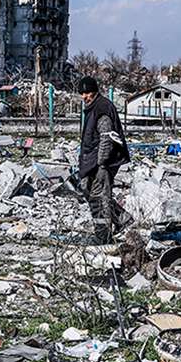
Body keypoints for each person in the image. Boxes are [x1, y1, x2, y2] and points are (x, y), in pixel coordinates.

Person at [78, 76, 131, 244]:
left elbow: (106, 139)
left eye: (87, 93)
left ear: (95, 91)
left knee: (99, 198)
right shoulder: (95, 107)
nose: (85, 96)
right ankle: (122, 219)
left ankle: (103, 237)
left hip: (101, 162)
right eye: (82, 93)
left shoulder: (101, 109)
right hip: (93, 161)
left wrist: (101, 164)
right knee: (92, 193)